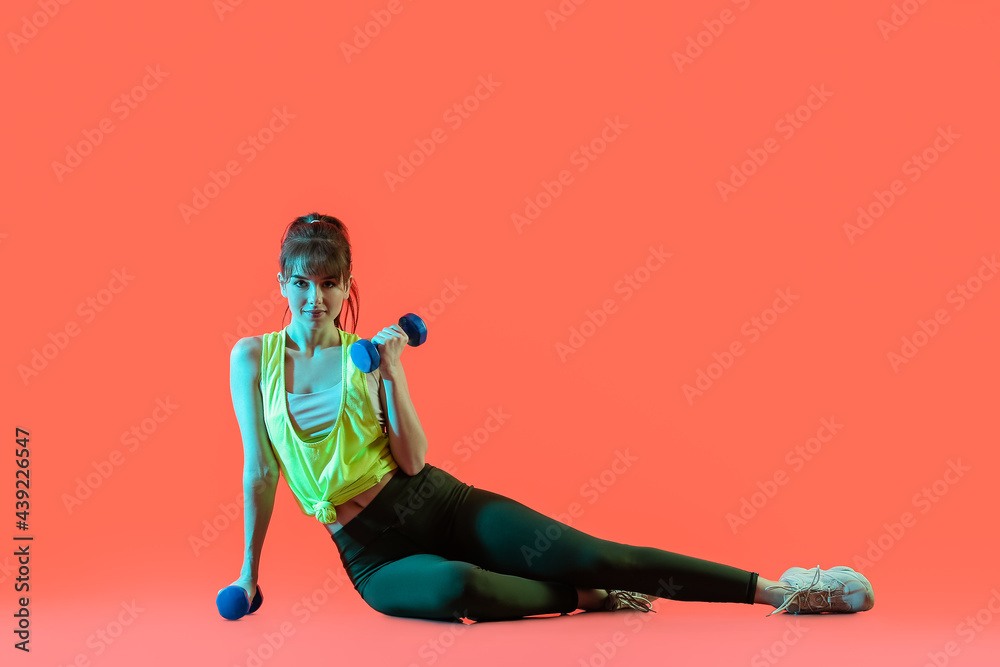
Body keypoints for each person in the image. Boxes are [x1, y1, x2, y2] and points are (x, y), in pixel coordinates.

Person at [220, 212, 875, 622]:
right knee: (456, 588)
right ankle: (581, 597)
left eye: (330, 283)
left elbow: (414, 459)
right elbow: (259, 472)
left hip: (436, 502)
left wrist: (391, 372)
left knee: (598, 552)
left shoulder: (367, 357)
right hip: (368, 551)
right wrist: (249, 574)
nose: (316, 298)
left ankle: (785, 588)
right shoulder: (254, 359)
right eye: (302, 283)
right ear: (281, 282)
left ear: (347, 284)